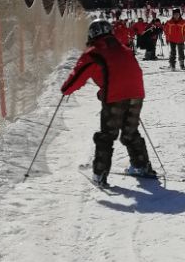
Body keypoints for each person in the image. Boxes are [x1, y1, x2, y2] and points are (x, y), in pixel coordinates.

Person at [61, 20, 155, 186]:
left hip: (115, 98)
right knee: (130, 132)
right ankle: (142, 166)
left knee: (107, 135)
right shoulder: (123, 48)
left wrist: (66, 89)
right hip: (136, 93)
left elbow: (79, 74)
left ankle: (100, 173)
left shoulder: (94, 52)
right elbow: (127, 71)